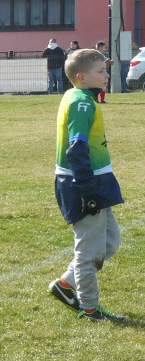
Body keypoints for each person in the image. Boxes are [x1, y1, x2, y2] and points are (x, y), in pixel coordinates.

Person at [48, 49, 124, 322]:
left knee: (109, 241)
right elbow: (76, 149)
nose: (106, 75)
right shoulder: (81, 102)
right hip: (82, 181)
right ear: (81, 76)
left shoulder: (79, 95)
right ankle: (90, 308)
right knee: (89, 251)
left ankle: (65, 284)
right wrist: (86, 188)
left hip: (96, 179)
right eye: (101, 71)